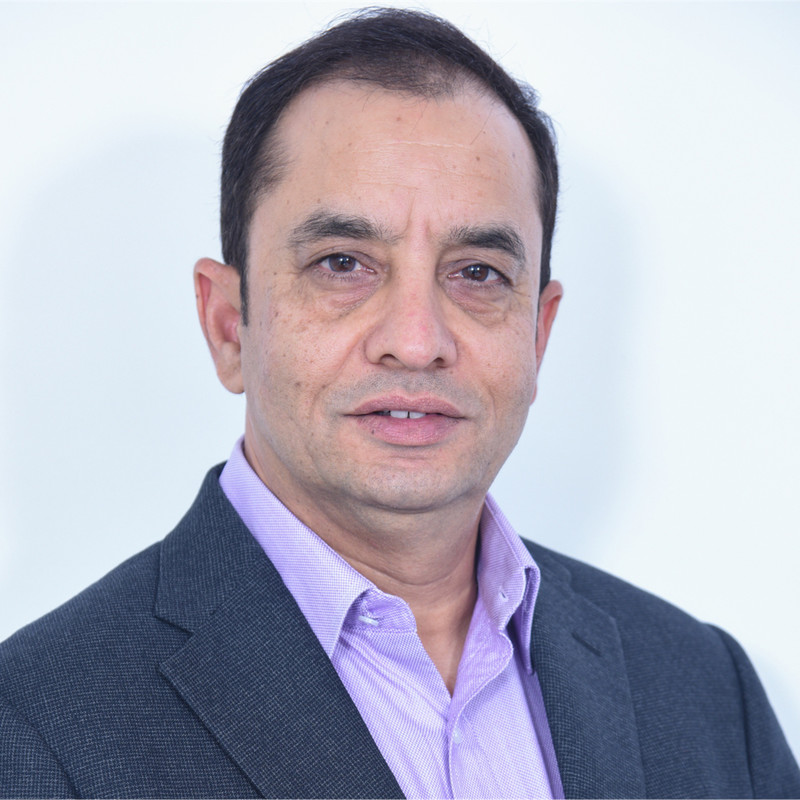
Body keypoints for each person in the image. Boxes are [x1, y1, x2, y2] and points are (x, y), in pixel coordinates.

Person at [1, 7, 798, 798]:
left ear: (538, 333)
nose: (417, 342)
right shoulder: (37, 731)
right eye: (342, 263)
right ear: (228, 326)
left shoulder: (705, 692)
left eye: (478, 273)